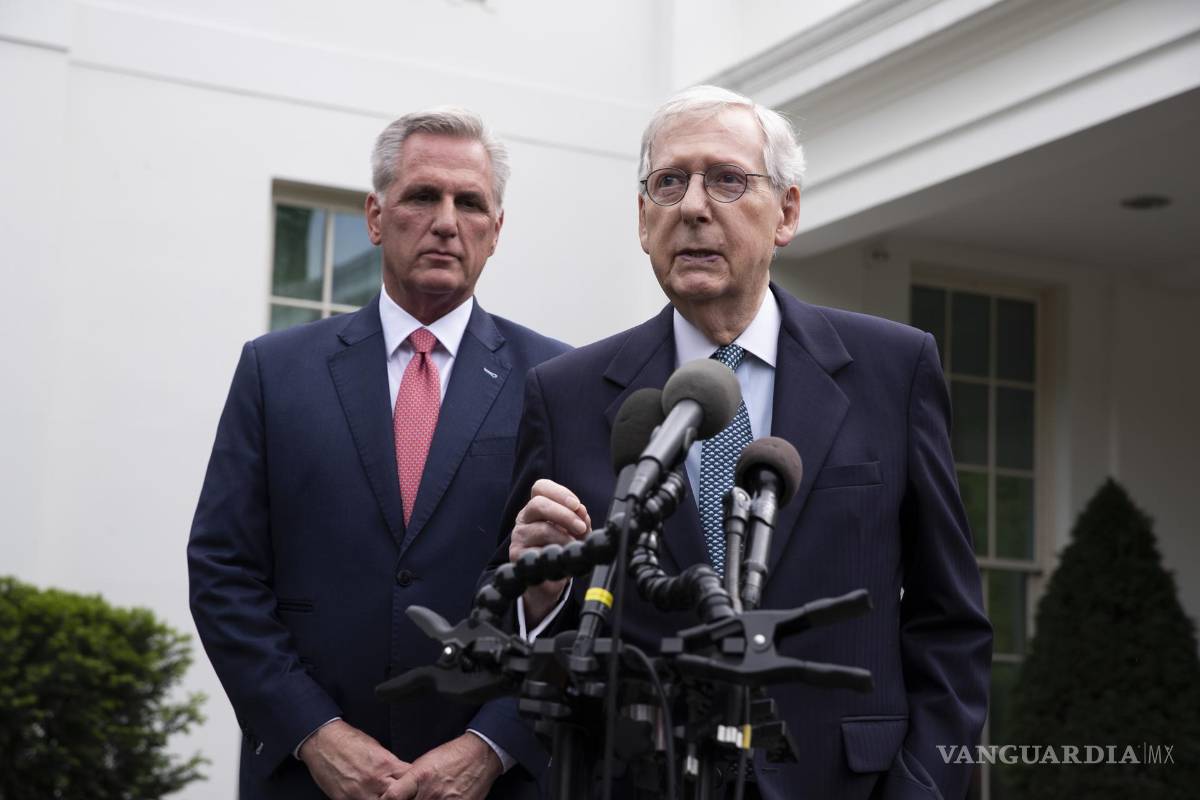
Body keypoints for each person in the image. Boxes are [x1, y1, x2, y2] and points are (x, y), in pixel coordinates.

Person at [500, 86, 992, 799]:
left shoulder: (895, 369)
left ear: (786, 211)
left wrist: (922, 787)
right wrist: (540, 599)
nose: (694, 206)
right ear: (644, 220)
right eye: (670, 183)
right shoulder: (565, 393)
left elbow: (950, 624)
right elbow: (526, 639)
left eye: (727, 179)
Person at [188, 107, 569, 800]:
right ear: (374, 215)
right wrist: (314, 733)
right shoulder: (275, 372)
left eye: (471, 203)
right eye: (423, 196)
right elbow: (223, 573)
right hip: (307, 778)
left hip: (493, 785)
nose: (447, 221)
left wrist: (492, 746)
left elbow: (578, 599)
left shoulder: (557, 381)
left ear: (496, 230)